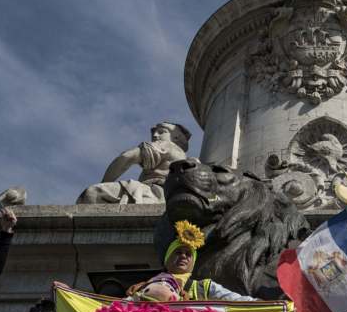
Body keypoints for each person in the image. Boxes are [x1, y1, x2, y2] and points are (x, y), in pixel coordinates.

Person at [126, 221, 256, 302]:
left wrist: (266, 305)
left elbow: (237, 301)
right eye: (178, 252)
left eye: (188, 254)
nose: (183, 256)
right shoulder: (144, 286)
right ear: (167, 259)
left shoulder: (204, 287)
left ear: (193, 262)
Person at [77, 122, 190, 205]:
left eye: (161, 132)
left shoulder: (166, 145)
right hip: (168, 197)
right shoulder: (183, 157)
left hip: (151, 193)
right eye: (154, 132)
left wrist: (104, 183)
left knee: (93, 193)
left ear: (176, 137)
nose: (155, 135)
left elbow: (127, 157)